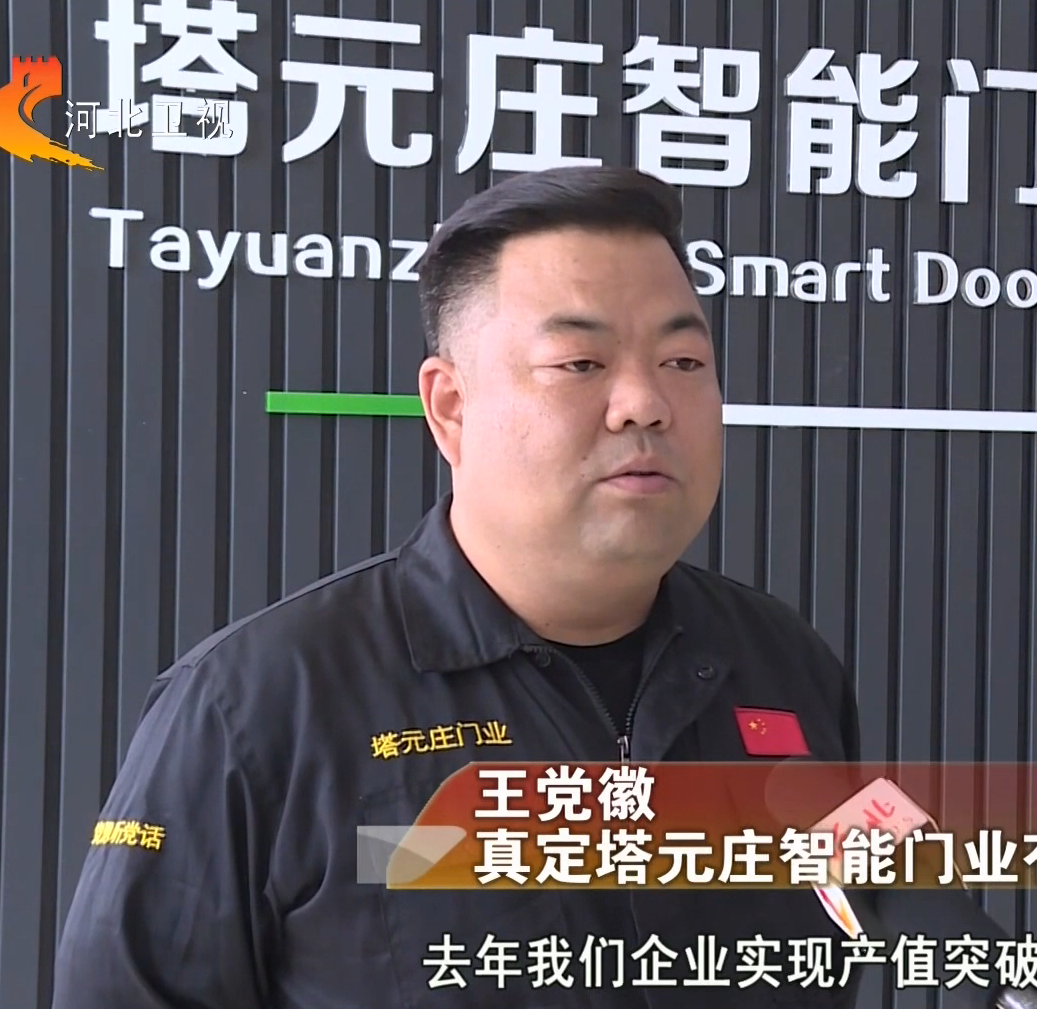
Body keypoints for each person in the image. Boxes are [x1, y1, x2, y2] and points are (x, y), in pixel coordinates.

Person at [51, 165, 867, 1009]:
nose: (644, 403)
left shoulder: (784, 665)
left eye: (683, 360)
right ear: (450, 407)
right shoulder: (256, 705)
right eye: (580, 361)